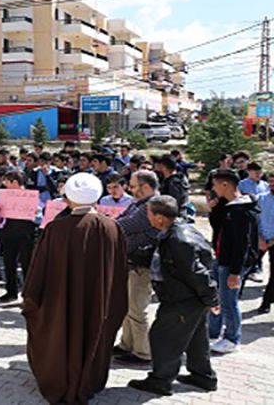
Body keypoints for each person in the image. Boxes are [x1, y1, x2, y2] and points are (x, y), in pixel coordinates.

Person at [23, 173, 128, 404]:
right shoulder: (112, 227)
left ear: (68, 198)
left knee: (63, 334)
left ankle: (62, 379)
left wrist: (31, 299)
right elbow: (119, 273)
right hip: (97, 301)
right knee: (93, 334)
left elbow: (39, 272)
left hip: (62, 302)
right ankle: (89, 380)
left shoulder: (56, 229)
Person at [128, 195, 218, 396]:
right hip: (190, 298)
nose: (147, 217)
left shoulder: (178, 239)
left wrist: (211, 298)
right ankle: (203, 376)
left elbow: (196, 272)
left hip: (182, 299)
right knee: (196, 338)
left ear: (160, 217)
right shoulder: (176, 231)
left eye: (149, 213)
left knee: (163, 337)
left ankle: (160, 380)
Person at [209, 169, 260, 353]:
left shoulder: (242, 210)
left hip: (232, 263)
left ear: (225, 184)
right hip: (221, 257)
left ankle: (232, 338)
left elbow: (242, 244)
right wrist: (216, 207)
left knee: (229, 301)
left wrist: (235, 272)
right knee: (216, 297)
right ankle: (213, 333)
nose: (213, 189)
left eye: (215, 185)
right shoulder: (228, 206)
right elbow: (217, 227)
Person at [114, 170, 160, 365]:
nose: (130, 190)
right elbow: (121, 218)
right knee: (126, 306)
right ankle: (126, 344)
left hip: (143, 266)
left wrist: (105, 223)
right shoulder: (138, 203)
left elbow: (127, 224)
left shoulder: (153, 205)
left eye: (133, 186)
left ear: (147, 187)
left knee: (137, 310)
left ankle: (142, 352)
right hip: (130, 263)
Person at [0, 170, 37, 303]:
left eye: (7, 181)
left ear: (15, 182)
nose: (5, 184)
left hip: (26, 234)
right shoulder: (4, 196)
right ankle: (11, 292)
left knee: (27, 265)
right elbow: (1, 215)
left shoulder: (31, 196)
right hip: (8, 232)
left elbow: (40, 218)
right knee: (9, 263)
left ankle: (29, 295)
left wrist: (36, 211)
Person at [257, 173, 274, 313]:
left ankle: (266, 302)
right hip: (260, 240)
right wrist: (259, 238)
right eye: (271, 182)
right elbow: (254, 219)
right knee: (244, 269)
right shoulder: (261, 198)